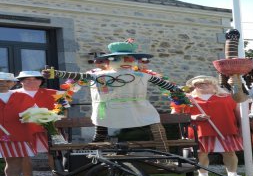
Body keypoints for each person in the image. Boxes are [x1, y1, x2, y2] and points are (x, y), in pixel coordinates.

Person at [43, 38, 182, 150]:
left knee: (156, 127)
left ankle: (165, 156)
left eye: (130, 58)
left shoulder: (142, 75)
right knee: (101, 132)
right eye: (119, 58)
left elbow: (166, 85)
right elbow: (77, 76)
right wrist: (56, 73)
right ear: (110, 60)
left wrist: (179, 92)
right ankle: (93, 156)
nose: (126, 61)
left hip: (138, 108)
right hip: (109, 110)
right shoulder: (97, 75)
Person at [173, 75, 243, 176]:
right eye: (198, 84)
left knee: (229, 152)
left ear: (214, 85)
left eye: (207, 83)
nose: (203, 85)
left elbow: (239, 114)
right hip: (199, 131)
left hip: (226, 130)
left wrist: (241, 129)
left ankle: (232, 174)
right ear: (194, 87)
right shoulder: (186, 100)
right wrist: (193, 117)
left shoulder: (227, 97)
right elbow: (175, 115)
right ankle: (203, 175)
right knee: (201, 153)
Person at [13, 71, 67, 176]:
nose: (31, 81)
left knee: (53, 152)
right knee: (24, 153)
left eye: (35, 79)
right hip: (22, 128)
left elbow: (64, 111)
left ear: (41, 81)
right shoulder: (12, 94)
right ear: (21, 81)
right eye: (27, 79)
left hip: (49, 128)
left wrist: (56, 119)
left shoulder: (55, 93)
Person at [0, 72, 37, 176]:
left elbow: (35, 113)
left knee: (15, 160)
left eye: (7, 81)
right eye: (0, 81)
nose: (3, 83)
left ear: (13, 83)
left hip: (17, 134)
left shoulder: (23, 96)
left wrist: (29, 117)